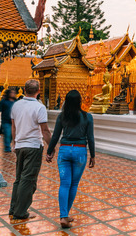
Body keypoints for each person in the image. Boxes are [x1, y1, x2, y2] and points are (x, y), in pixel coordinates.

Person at [46, 90, 95, 228]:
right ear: (80, 101)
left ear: (66, 101)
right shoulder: (87, 117)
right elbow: (90, 138)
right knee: (73, 184)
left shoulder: (62, 117)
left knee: (64, 184)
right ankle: (65, 215)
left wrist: (49, 152)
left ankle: (64, 215)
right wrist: (93, 155)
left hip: (64, 151)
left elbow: (55, 136)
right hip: (80, 152)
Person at [9, 79, 51, 221]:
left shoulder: (16, 105)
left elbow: (13, 127)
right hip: (33, 146)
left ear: (24, 90)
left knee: (19, 179)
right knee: (28, 180)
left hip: (20, 145)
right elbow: (45, 130)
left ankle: (14, 207)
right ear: (39, 91)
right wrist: (51, 147)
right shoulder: (40, 107)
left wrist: (15, 143)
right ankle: (20, 212)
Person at [0, 87, 17, 152]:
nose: (13, 94)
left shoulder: (15, 102)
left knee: (12, 134)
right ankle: (7, 147)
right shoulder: (3, 101)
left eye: (14, 93)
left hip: (14, 121)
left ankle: (8, 144)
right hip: (6, 120)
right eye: (11, 93)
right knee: (7, 133)